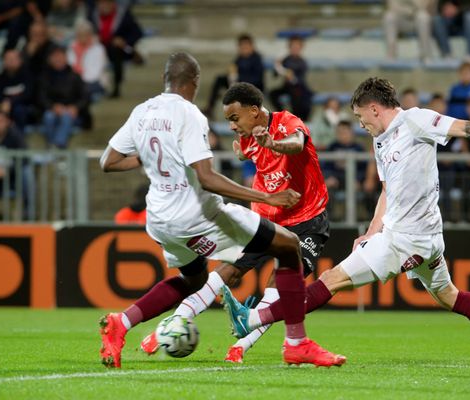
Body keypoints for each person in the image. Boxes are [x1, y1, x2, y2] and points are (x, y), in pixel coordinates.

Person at [221, 77, 470, 370]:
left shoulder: (416, 121)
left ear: (374, 108)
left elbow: (467, 127)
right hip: (422, 238)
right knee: (450, 296)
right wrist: (370, 231)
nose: (360, 124)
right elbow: (386, 191)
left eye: (359, 117)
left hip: (405, 240)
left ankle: (251, 319)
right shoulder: (380, 141)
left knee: (330, 280)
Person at [98, 53, 344, 369]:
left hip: (160, 219)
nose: (231, 125)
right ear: (195, 83)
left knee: (195, 279)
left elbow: (109, 161)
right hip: (201, 213)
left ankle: (126, 322)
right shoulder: (190, 115)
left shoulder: (141, 112)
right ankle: (295, 343)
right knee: (287, 248)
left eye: (234, 118)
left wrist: (154, 157)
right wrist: (267, 198)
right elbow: (207, 178)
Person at [88, 0, 143, 98]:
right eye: (101, 3)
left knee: (115, 51)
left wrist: (124, 41)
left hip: (118, 50)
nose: (104, 6)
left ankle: (116, 87)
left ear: (113, 4)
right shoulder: (92, 15)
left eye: (106, 3)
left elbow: (137, 33)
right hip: (97, 48)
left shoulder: (123, 15)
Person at [37, 46, 89, 148]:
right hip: (51, 110)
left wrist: (75, 107)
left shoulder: (75, 76)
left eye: (60, 56)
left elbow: (85, 97)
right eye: (54, 56)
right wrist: (52, 107)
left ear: (66, 58)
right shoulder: (44, 77)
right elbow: (41, 97)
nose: (58, 59)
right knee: (49, 116)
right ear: (49, 59)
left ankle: (57, 146)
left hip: (72, 111)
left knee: (66, 117)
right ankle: (54, 146)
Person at [203, 34, 264, 119]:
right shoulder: (239, 59)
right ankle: (210, 108)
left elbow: (257, 79)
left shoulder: (257, 59)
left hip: (252, 87)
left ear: (252, 46)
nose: (244, 49)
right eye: (242, 47)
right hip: (239, 85)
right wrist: (231, 73)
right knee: (219, 79)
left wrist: (238, 78)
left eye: (246, 46)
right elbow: (233, 73)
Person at [269, 36, 313, 121]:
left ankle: (295, 120)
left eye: (297, 47)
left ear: (301, 48)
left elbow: (300, 80)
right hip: (287, 87)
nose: (295, 49)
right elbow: (275, 75)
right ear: (289, 47)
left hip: (298, 88)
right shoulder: (285, 60)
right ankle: (282, 115)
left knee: (297, 97)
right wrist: (277, 66)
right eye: (293, 46)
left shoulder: (302, 62)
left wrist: (292, 78)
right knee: (272, 94)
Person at [0, 50, 34, 131]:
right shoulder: (0, 79)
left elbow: (28, 95)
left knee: (19, 110)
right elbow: (1, 98)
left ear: (20, 60)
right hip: (7, 109)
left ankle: (19, 138)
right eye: (8, 59)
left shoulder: (28, 75)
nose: (11, 61)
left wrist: (10, 102)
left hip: (26, 108)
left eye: (13, 59)